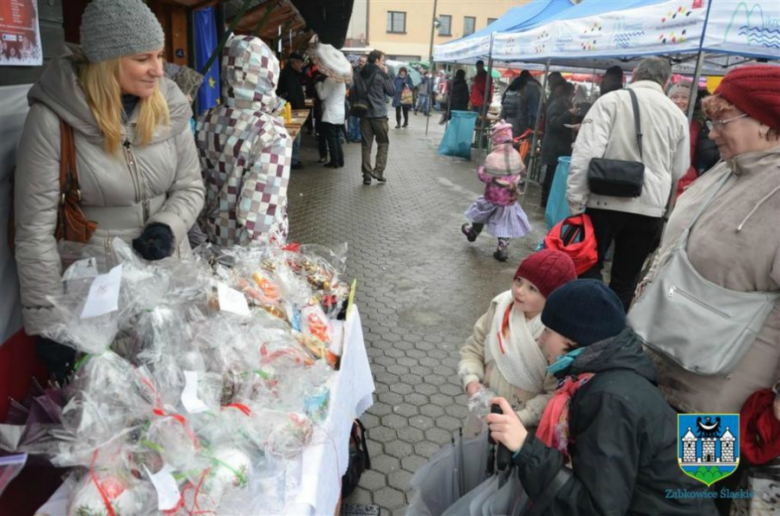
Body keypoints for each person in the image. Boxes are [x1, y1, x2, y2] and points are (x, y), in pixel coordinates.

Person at [14, 0, 205, 381]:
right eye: (142, 58)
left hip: (168, 280)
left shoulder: (168, 107)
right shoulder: (52, 120)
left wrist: (168, 226)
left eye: (160, 55)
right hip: (99, 296)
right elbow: (33, 232)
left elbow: (190, 186)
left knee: (175, 390)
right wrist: (50, 324)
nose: (158, 70)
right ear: (106, 60)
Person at [637, 68, 780, 515]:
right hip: (665, 366)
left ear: (766, 123)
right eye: (712, 121)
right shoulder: (727, 171)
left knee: (692, 497)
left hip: (717, 399)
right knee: (655, 488)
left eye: (724, 121)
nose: (712, 132)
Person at [486, 280, 717, 516]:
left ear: (574, 338)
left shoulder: (609, 400)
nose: (540, 340)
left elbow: (594, 509)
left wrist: (526, 449)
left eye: (548, 331)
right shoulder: (611, 373)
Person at [566, 57, 689, 311]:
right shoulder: (677, 115)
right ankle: (610, 333)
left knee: (588, 267)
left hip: (602, 202)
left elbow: (585, 156)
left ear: (634, 74)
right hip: (649, 208)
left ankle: (585, 324)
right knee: (625, 281)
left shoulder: (609, 102)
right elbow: (680, 169)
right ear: (666, 82)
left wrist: (576, 205)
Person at [459, 249, 576, 428]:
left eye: (532, 289)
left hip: (522, 426)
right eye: (518, 281)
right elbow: (474, 347)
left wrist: (522, 417)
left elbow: (555, 392)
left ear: (553, 298)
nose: (519, 291)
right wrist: (471, 379)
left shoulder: (555, 337)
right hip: (484, 410)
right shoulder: (500, 308)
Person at [196, 36, 291, 248]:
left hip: (209, 240)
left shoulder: (206, 119)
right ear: (268, 74)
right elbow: (258, 215)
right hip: (247, 257)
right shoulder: (271, 133)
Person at [461, 122, 533, 262]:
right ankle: (502, 249)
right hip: (510, 198)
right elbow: (521, 171)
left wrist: (481, 170)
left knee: (481, 213)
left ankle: (473, 232)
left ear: (496, 138)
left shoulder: (493, 157)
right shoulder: (516, 154)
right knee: (504, 222)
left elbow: (485, 177)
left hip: (492, 196)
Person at [666, 82, 720, 197]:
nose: (679, 101)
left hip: (686, 177)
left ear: (691, 101)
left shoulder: (697, 125)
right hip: (664, 175)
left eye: (684, 97)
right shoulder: (661, 121)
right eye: (675, 97)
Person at [352, 49, 394, 185]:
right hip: (379, 115)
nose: (383, 62)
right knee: (383, 143)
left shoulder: (359, 73)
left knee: (366, 146)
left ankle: (367, 175)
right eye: (382, 59)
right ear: (377, 60)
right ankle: (378, 171)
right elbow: (392, 91)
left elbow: (355, 90)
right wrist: (386, 74)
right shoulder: (380, 74)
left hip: (364, 114)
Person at [540, 81, 576, 208]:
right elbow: (554, 123)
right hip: (553, 147)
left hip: (560, 146)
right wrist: (569, 114)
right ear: (567, 93)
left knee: (554, 176)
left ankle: (549, 202)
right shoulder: (556, 105)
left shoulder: (565, 104)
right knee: (550, 176)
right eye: (572, 93)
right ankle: (545, 202)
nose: (574, 95)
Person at [276, 52, 306, 169]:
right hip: (292, 110)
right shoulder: (289, 76)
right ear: (294, 63)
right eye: (300, 63)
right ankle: (293, 160)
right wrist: (300, 107)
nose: (301, 66)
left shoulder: (291, 74)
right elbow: (292, 94)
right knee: (294, 136)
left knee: (294, 135)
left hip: (291, 109)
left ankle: (293, 158)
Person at [315, 73, 346, 168]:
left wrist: (319, 84)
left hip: (330, 113)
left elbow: (322, 95)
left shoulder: (329, 80)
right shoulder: (342, 80)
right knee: (336, 137)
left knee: (331, 138)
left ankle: (334, 161)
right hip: (340, 112)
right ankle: (340, 160)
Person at [500, 71, 543, 139]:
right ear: (522, 87)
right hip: (517, 127)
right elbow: (521, 117)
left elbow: (502, 114)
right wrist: (525, 130)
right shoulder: (521, 100)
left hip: (507, 125)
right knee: (517, 146)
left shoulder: (507, 97)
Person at [347, 55, 366, 143]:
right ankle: (352, 135)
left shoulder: (366, 73)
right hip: (353, 98)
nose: (361, 63)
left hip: (362, 99)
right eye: (360, 61)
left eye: (363, 62)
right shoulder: (354, 70)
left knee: (359, 120)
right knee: (352, 118)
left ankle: (358, 136)